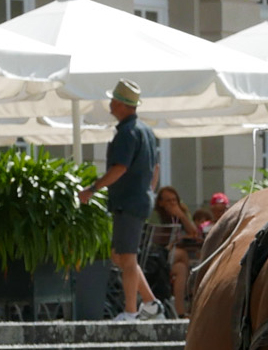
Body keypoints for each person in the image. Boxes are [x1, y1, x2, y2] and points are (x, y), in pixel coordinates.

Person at [80, 80, 161, 321]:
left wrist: (92, 188)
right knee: (120, 256)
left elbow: (120, 168)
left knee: (125, 258)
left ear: (123, 105)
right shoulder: (145, 131)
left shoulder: (127, 133)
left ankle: (130, 312)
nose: (110, 104)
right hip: (137, 200)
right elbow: (155, 167)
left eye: (114, 100)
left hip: (129, 202)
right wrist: (149, 191)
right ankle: (151, 303)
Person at [149, 184, 203, 312]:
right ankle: (191, 290)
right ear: (161, 202)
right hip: (157, 255)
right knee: (183, 255)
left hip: (172, 257)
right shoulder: (155, 214)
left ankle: (180, 311)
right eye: (168, 201)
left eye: (174, 200)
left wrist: (182, 216)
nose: (172, 203)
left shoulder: (181, 211)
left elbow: (194, 233)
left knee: (182, 268)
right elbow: (156, 238)